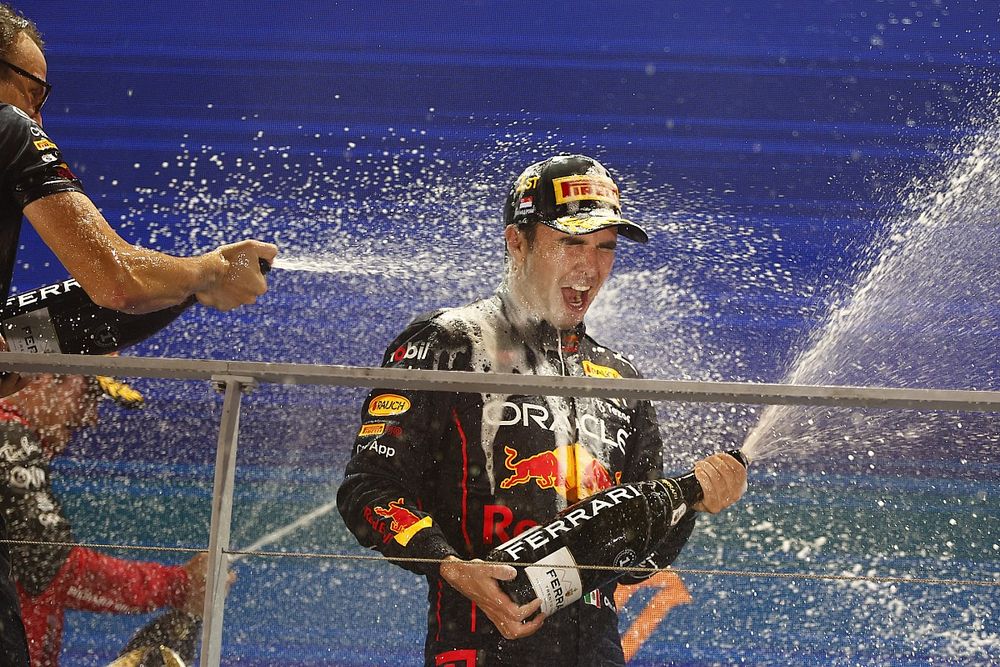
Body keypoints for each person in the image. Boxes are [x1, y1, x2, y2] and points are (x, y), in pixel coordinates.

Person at [337, 154, 748, 666]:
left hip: (596, 651)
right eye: (571, 242)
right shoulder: (449, 342)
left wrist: (696, 503)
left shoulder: (621, 379)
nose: (590, 266)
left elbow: (638, 564)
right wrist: (450, 566)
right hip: (477, 642)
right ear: (517, 242)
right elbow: (368, 487)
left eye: (605, 248)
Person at [0, 6, 275, 659]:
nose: (38, 115)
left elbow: (38, 330)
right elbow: (114, 280)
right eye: (31, 91)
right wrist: (206, 271)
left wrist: (190, 284)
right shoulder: (7, 128)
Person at [0, 373, 211, 666]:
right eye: (87, 396)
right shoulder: (8, 435)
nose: (91, 418)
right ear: (46, 377)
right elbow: (56, 569)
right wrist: (180, 585)